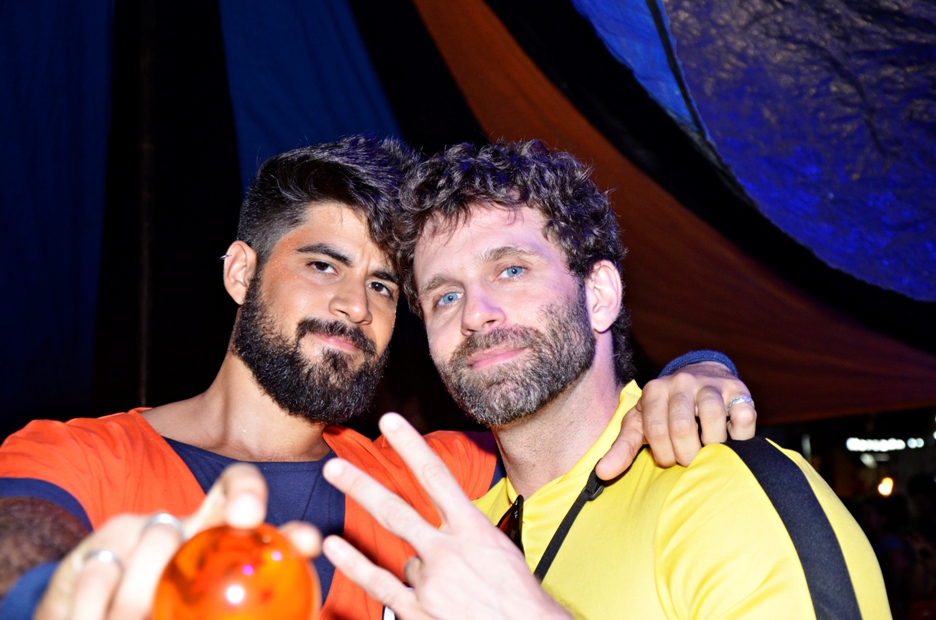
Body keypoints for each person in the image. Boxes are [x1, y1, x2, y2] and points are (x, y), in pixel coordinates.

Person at [0, 136, 755, 620]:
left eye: (384, 285)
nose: (355, 306)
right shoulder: (78, 457)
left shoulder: (426, 478)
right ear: (241, 272)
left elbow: (569, 424)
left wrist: (693, 372)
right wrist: (56, 596)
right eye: (322, 265)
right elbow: (20, 546)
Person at [320, 139, 891, 619]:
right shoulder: (463, 536)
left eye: (511, 269)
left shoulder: (722, 489)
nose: (475, 313)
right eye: (445, 295)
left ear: (599, 295)